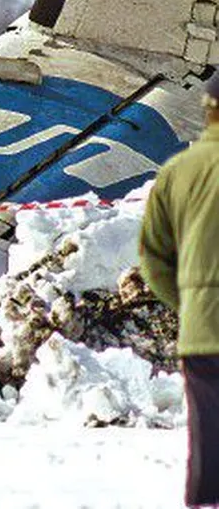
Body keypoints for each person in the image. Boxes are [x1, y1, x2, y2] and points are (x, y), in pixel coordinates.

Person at [139, 72, 219, 507]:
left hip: (200, 333)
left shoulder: (177, 172)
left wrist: (187, 303)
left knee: (205, 441)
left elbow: (152, 256)